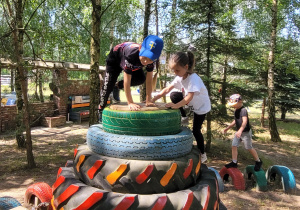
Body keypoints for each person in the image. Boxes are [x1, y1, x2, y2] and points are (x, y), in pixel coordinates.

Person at [151, 51, 211, 163]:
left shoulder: (193, 78)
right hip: (191, 103)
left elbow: (189, 97)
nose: (175, 72)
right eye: (173, 70)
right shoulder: (180, 77)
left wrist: (176, 105)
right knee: (174, 94)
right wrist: (153, 99)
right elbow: (167, 89)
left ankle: (203, 154)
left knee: (196, 130)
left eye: (177, 70)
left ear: (186, 67)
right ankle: (184, 117)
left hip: (201, 107)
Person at [99, 35, 164, 118]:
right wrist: (130, 102)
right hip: (115, 60)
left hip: (133, 62)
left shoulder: (151, 61)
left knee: (141, 79)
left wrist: (148, 99)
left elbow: (149, 80)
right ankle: (100, 111)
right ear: (140, 48)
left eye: (150, 59)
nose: (145, 61)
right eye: (144, 57)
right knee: (107, 88)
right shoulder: (131, 55)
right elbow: (127, 80)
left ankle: (117, 86)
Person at [223, 94, 263, 171]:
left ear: (240, 102)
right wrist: (228, 127)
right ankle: (234, 162)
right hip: (239, 132)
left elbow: (244, 122)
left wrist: (240, 130)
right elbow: (235, 120)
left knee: (248, 147)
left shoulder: (243, 110)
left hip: (245, 132)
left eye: (234, 104)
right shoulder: (236, 110)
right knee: (234, 145)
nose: (233, 106)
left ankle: (258, 161)